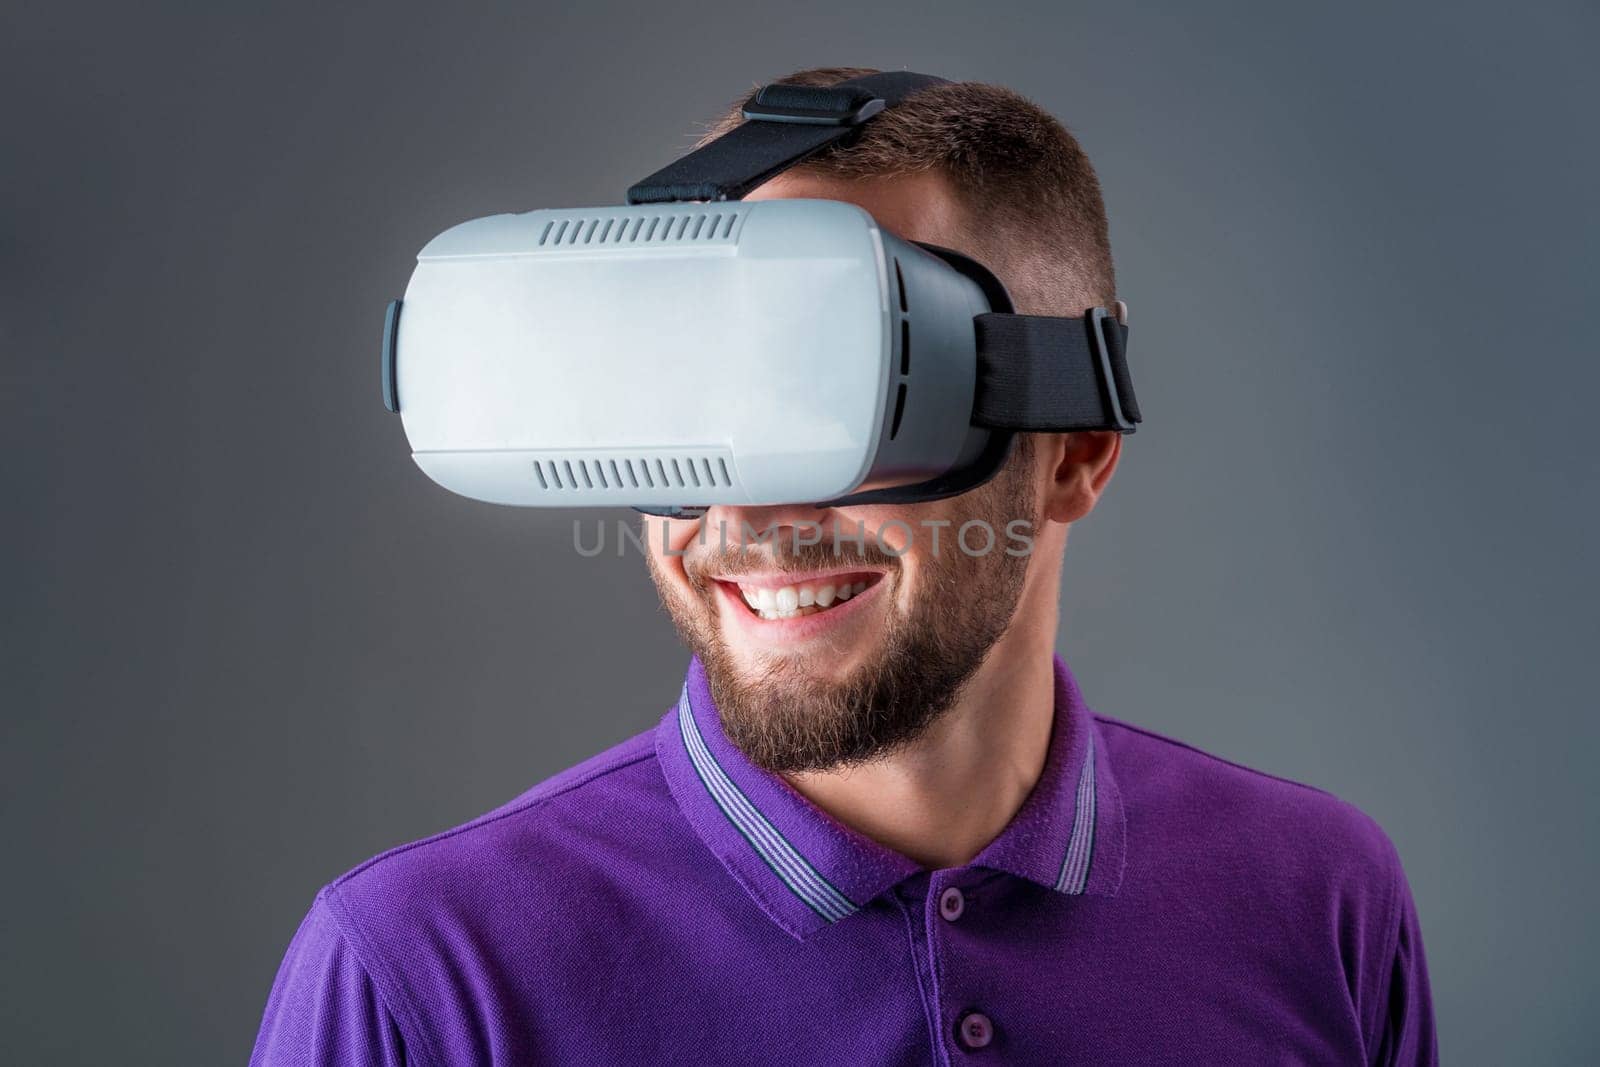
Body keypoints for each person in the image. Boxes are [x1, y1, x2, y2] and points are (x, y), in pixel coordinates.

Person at [251, 67, 1437, 1064]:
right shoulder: (424, 971)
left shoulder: (1314, 895)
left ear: (1073, 449)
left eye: (846, 394)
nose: (745, 508)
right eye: (683, 408)